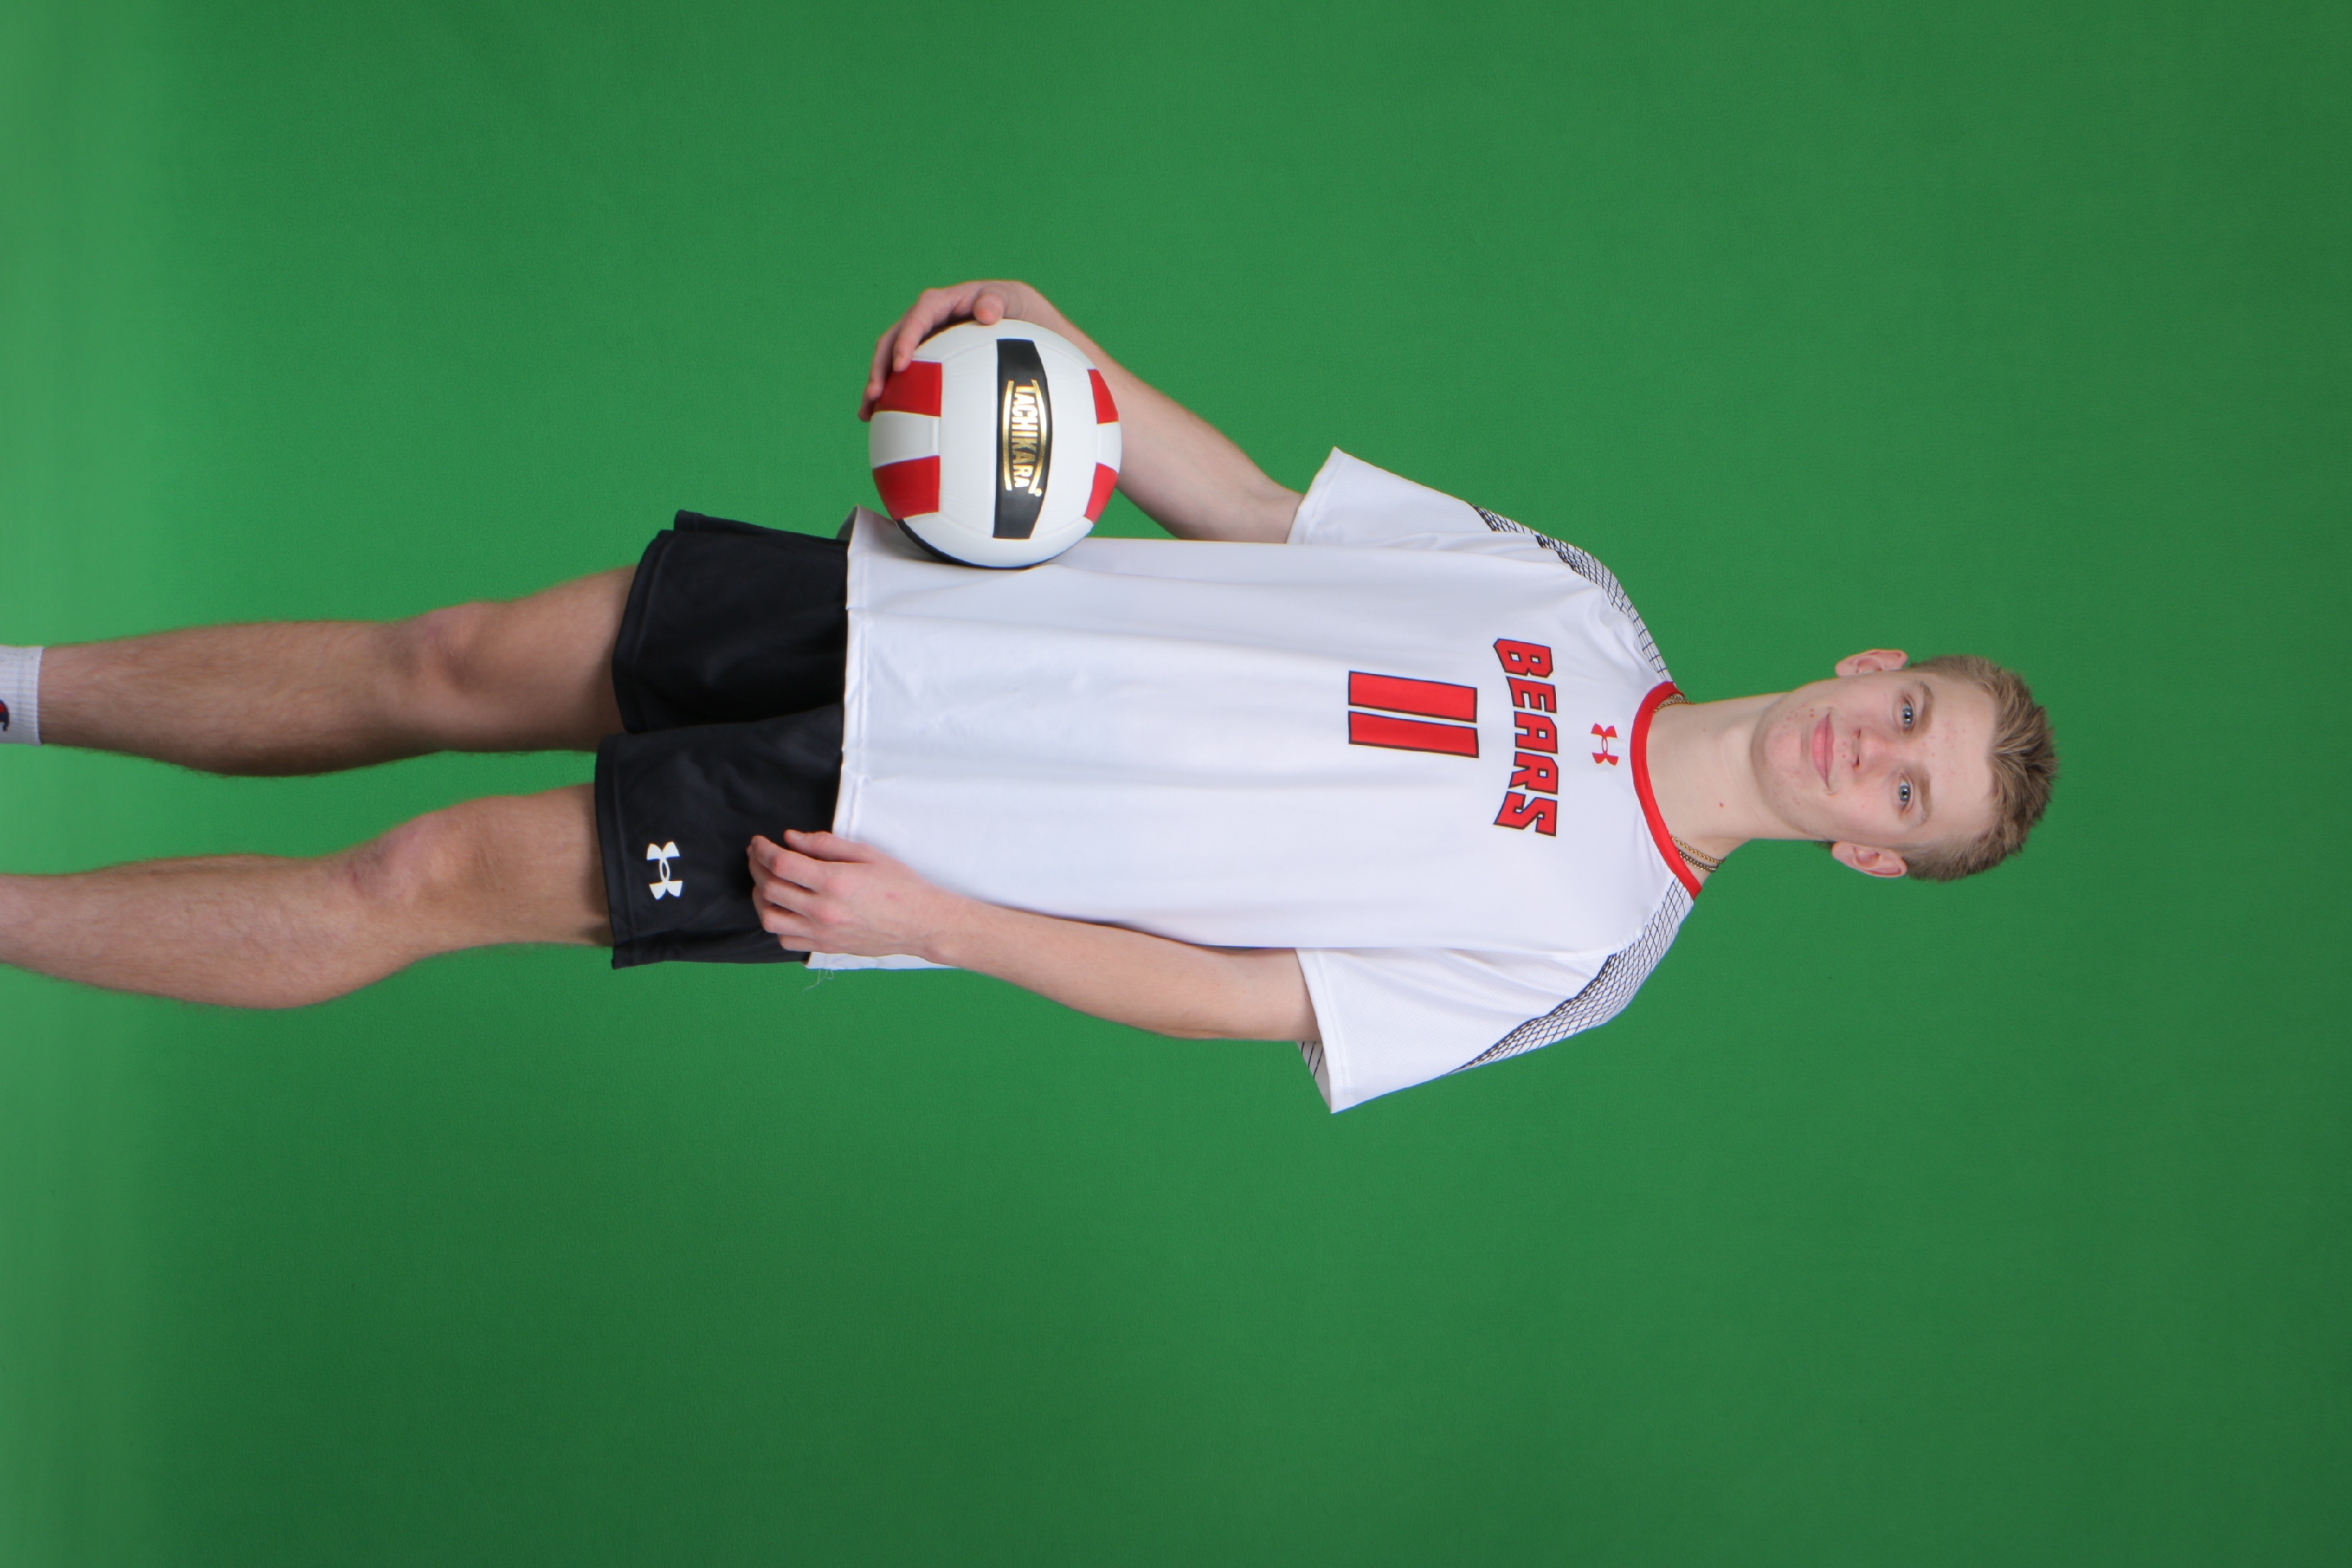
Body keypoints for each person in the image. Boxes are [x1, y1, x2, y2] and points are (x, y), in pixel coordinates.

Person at [0, 281, 2056, 1111]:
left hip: (899, 833)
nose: (1870, 759)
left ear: (1872, 862)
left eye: (1908, 796)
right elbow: (1261, 515)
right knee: (441, 658)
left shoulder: (1584, 946)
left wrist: (944, 925)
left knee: (417, 877)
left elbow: (1243, 1003)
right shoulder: (1573, 600)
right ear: (1874, 667)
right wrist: (1069, 360)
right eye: (1909, 723)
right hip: (922, 614)